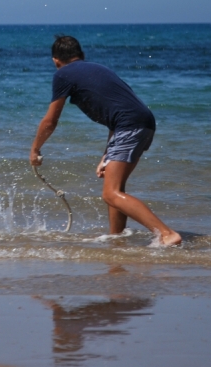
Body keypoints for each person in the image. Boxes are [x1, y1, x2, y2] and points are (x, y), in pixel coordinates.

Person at [29, 35, 181, 246]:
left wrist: (35, 149)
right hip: (142, 122)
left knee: (110, 194)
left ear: (56, 61)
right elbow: (117, 112)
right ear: (81, 56)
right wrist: (106, 155)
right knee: (116, 187)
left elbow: (50, 121)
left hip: (130, 126)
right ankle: (116, 239)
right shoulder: (99, 68)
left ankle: (166, 234)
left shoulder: (63, 74)